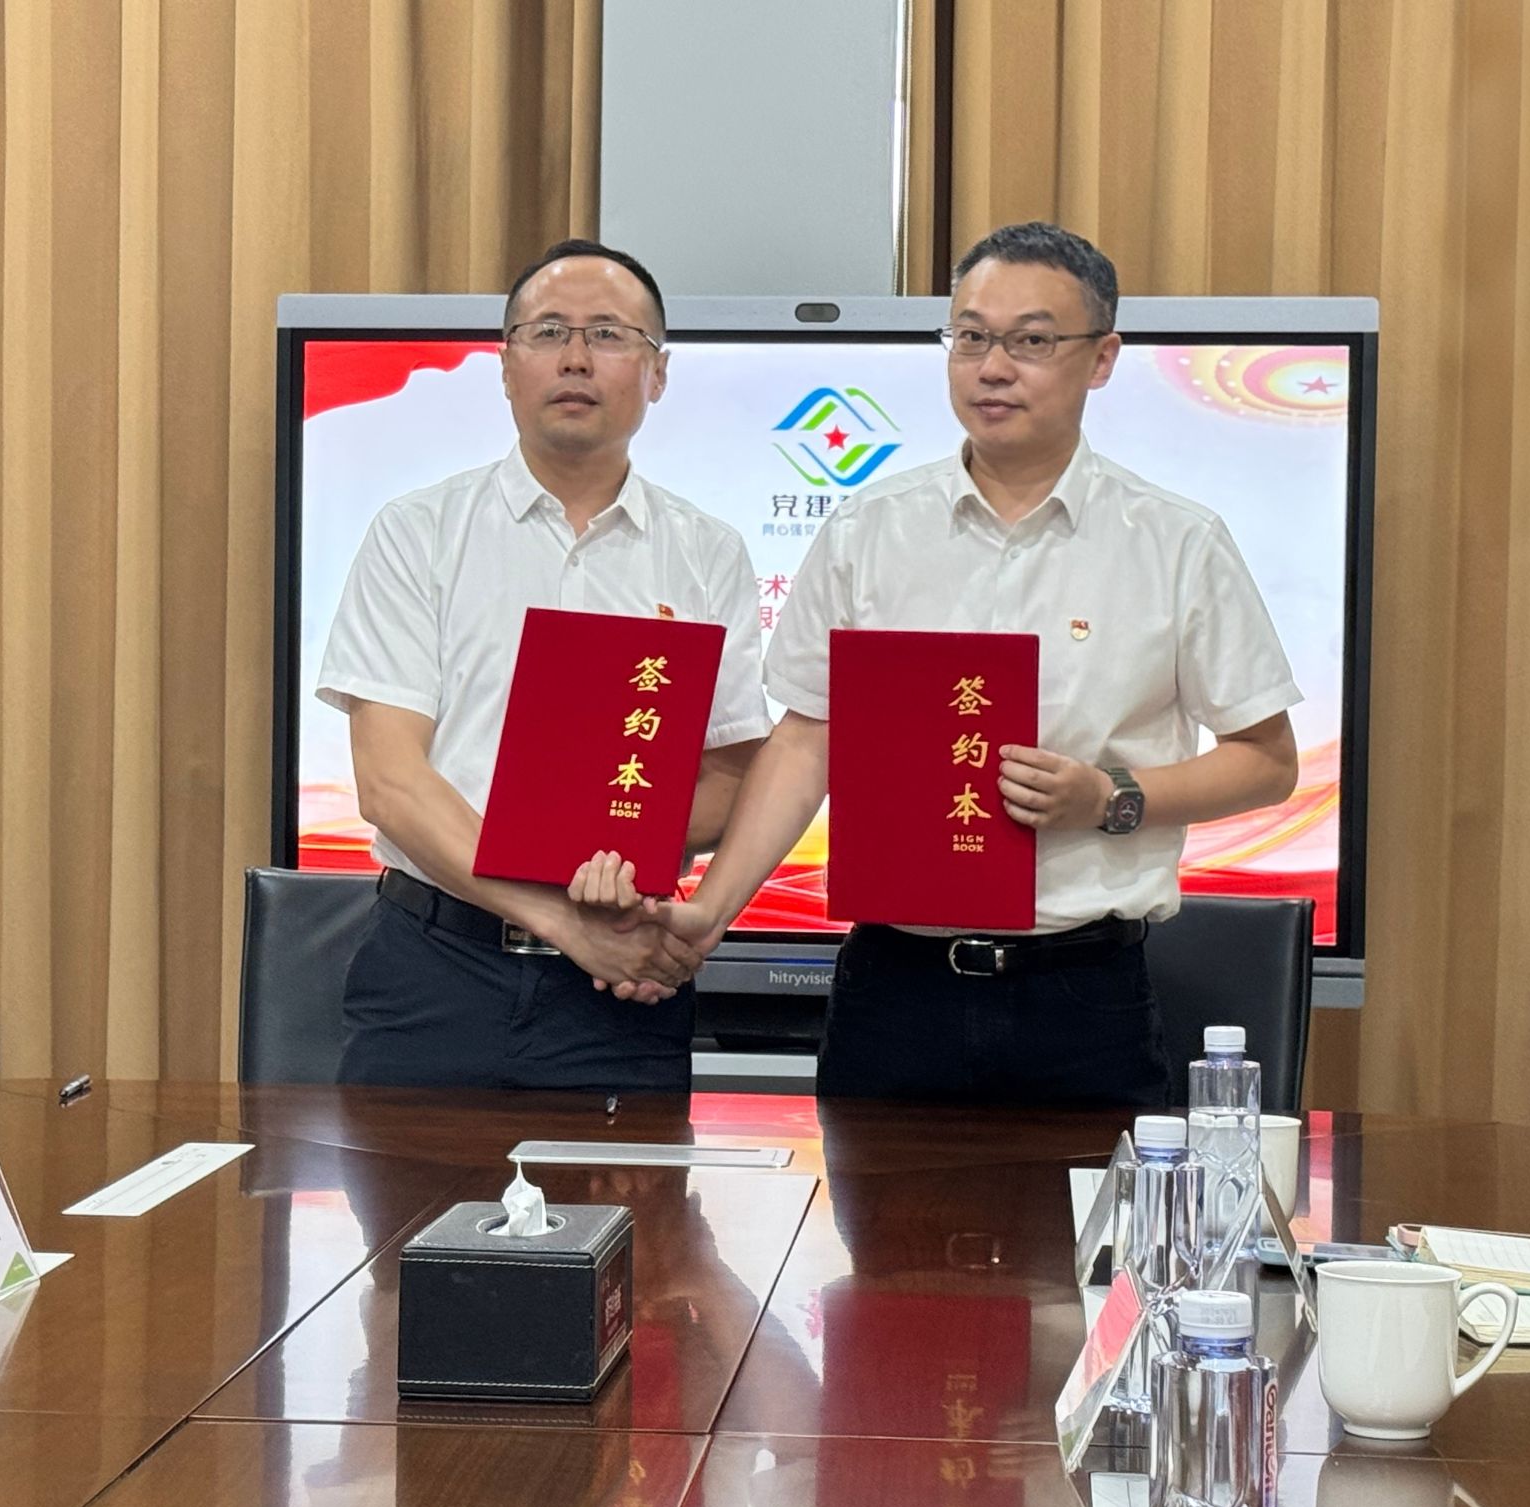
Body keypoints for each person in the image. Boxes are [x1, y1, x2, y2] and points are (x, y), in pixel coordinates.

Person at [590, 221, 1300, 1106]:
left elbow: (1267, 761)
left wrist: (1109, 796)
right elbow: (806, 740)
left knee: (1085, 1206)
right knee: (868, 1205)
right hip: (894, 991)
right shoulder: (870, 529)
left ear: (1102, 358)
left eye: (1031, 342)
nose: (992, 368)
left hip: (1083, 993)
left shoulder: (1175, 541)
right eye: (970, 337)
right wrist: (708, 913)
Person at [316, 238, 772, 1092]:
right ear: (504, 365)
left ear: (658, 373)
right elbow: (391, 783)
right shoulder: (418, 533)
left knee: (626, 1189)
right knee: (400, 1187)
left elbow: (732, 776)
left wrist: (620, 878)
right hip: (435, 969)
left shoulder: (707, 553)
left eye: (608, 334)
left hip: (621, 987)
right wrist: (565, 919)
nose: (575, 359)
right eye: (548, 332)